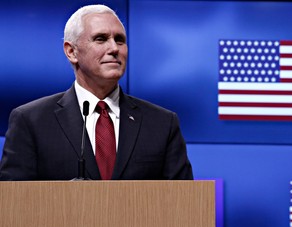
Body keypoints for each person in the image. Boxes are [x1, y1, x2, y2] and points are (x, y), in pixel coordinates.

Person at [0, 4, 193, 180]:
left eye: (120, 40)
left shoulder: (162, 123)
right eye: (101, 39)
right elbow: (14, 206)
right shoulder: (31, 121)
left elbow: (183, 203)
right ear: (71, 52)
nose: (114, 48)